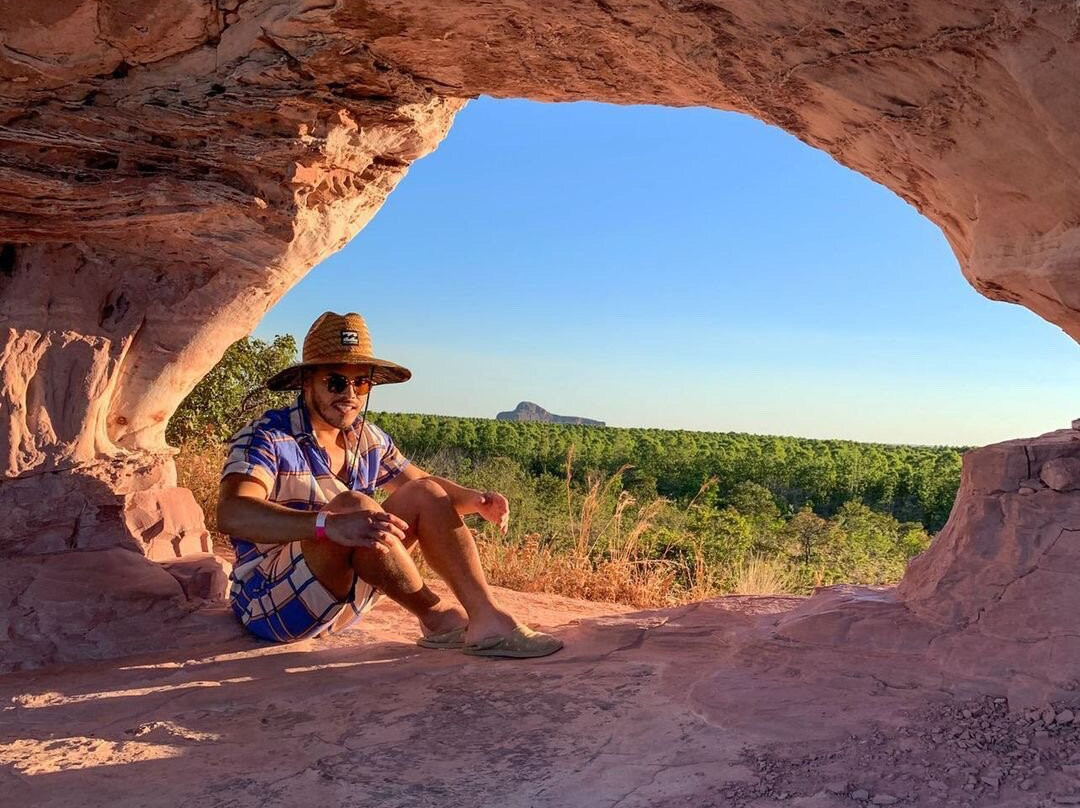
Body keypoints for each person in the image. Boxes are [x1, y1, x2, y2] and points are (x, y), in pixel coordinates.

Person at [217, 311, 562, 659]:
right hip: (273, 605)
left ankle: (486, 619)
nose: (349, 394)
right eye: (336, 382)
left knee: (424, 494)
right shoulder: (267, 438)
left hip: (344, 603)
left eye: (361, 383)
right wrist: (327, 525)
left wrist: (475, 500)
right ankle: (437, 616)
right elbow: (233, 512)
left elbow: (425, 489)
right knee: (355, 506)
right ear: (308, 382)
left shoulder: (366, 438)